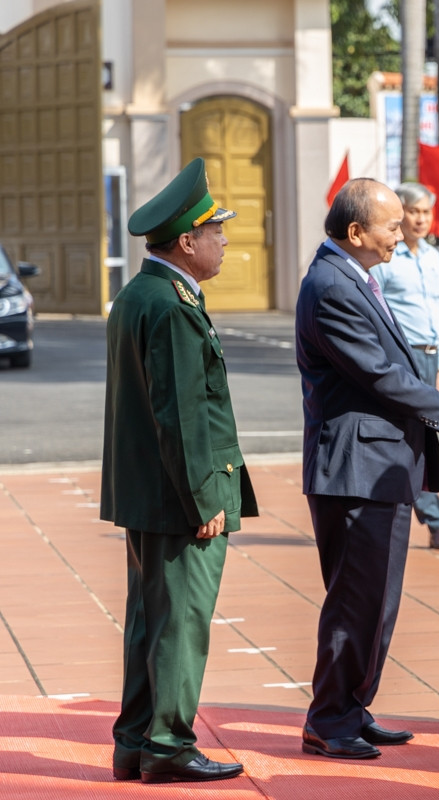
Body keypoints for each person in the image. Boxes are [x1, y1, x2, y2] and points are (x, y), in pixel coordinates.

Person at [295, 178, 439, 760]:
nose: (402, 234)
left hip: (379, 466)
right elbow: (380, 375)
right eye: (392, 225)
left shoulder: (354, 276)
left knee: (377, 599)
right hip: (354, 469)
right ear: (356, 232)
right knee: (356, 600)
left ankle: (351, 706)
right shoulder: (331, 285)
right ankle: (329, 718)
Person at [101, 157, 256, 784]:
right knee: (181, 624)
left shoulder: (142, 294)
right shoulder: (171, 305)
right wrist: (203, 498)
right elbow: (182, 414)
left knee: (148, 621)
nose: (223, 243)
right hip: (179, 495)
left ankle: (135, 742)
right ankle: (166, 746)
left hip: (148, 493)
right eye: (216, 233)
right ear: (188, 242)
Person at [373, 182, 439, 551]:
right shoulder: (386, 259)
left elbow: (436, 313)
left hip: (428, 356)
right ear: (400, 214)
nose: (421, 219)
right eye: (414, 212)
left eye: (427, 212)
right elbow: (373, 312)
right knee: (411, 441)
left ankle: (412, 513)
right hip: (401, 357)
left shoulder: (432, 257)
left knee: (421, 439)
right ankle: (437, 522)